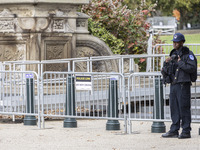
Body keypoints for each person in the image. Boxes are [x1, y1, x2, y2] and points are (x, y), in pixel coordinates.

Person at [161, 33, 197, 139]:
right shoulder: (173, 55)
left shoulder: (188, 54)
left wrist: (180, 63)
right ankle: (174, 130)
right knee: (174, 108)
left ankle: (186, 131)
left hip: (183, 84)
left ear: (182, 42)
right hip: (174, 84)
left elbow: (192, 68)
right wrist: (166, 64)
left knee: (184, 108)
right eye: (174, 42)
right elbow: (167, 70)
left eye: (177, 42)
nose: (175, 44)